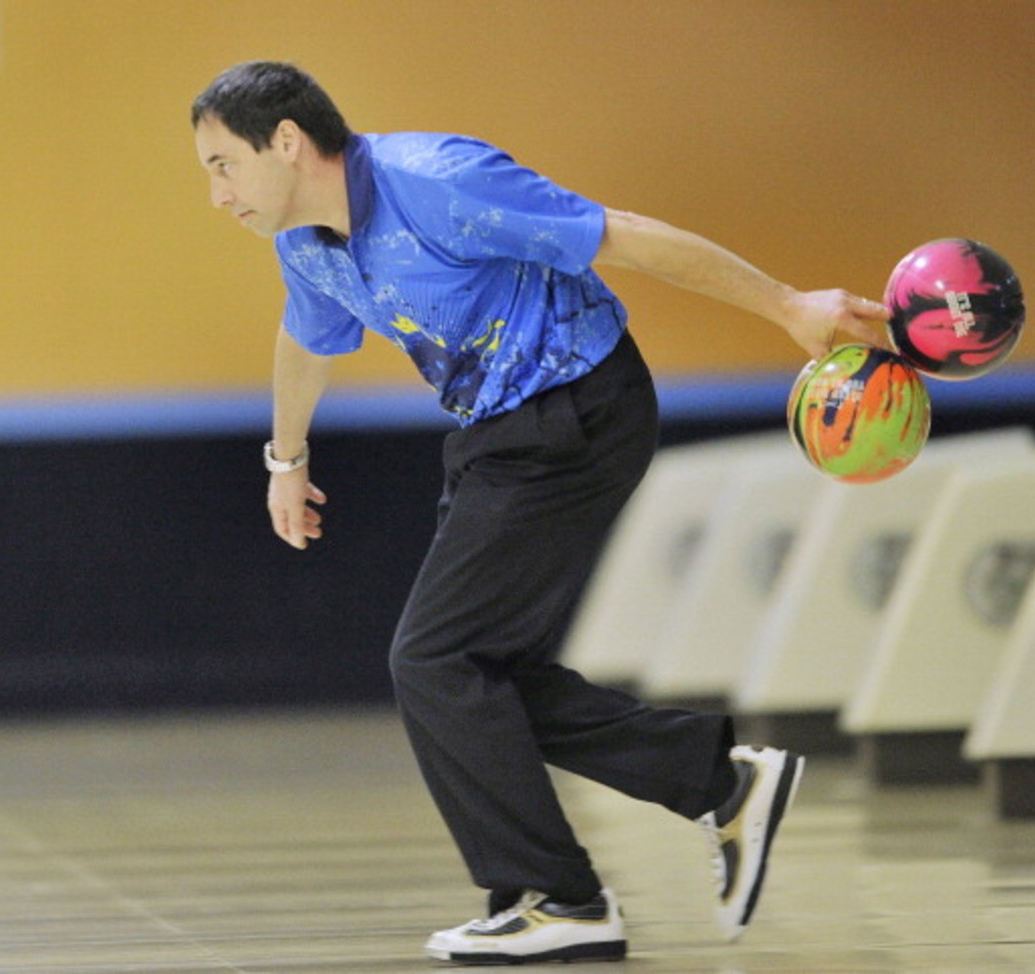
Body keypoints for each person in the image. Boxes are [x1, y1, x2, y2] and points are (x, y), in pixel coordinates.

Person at [191, 61, 887, 966]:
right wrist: (286, 459)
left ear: (286, 142)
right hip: (497, 434)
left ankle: (560, 897)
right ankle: (717, 783)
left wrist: (790, 306)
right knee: (477, 670)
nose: (216, 194)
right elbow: (307, 337)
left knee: (435, 659)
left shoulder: (438, 182)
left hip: (579, 410)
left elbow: (624, 236)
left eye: (221, 165)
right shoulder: (308, 240)